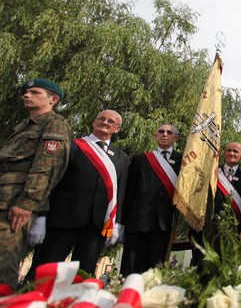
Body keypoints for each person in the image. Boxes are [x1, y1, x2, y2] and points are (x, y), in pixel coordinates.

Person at [28, 110, 129, 277]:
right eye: (101, 119)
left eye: (110, 121)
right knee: (45, 269)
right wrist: (41, 215)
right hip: (63, 218)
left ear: (117, 129)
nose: (105, 122)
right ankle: (32, 301)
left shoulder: (121, 157)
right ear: (93, 122)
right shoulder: (71, 145)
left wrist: (117, 223)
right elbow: (52, 181)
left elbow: (121, 191)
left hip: (97, 224)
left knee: (84, 274)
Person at [0, 79, 70, 287]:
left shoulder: (54, 123)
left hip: (16, 201)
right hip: (3, 196)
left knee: (4, 262)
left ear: (53, 99)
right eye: (26, 92)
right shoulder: (22, 126)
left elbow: (47, 165)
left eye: (35, 92)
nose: (27, 95)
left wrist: (27, 202)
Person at [120, 123, 182, 275]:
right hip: (137, 221)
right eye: (161, 131)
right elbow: (128, 192)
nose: (164, 135)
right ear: (155, 135)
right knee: (130, 266)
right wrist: (121, 222)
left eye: (169, 132)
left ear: (176, 138)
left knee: (154, 270)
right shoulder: (140, 159)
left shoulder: (183, 162)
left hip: (163, 224)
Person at [214, 142, 241, 240]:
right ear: (224, 153)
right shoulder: (213, 173)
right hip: (214, 228)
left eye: (235, 151)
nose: (231, 153)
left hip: (237, 230)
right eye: (229, 150)